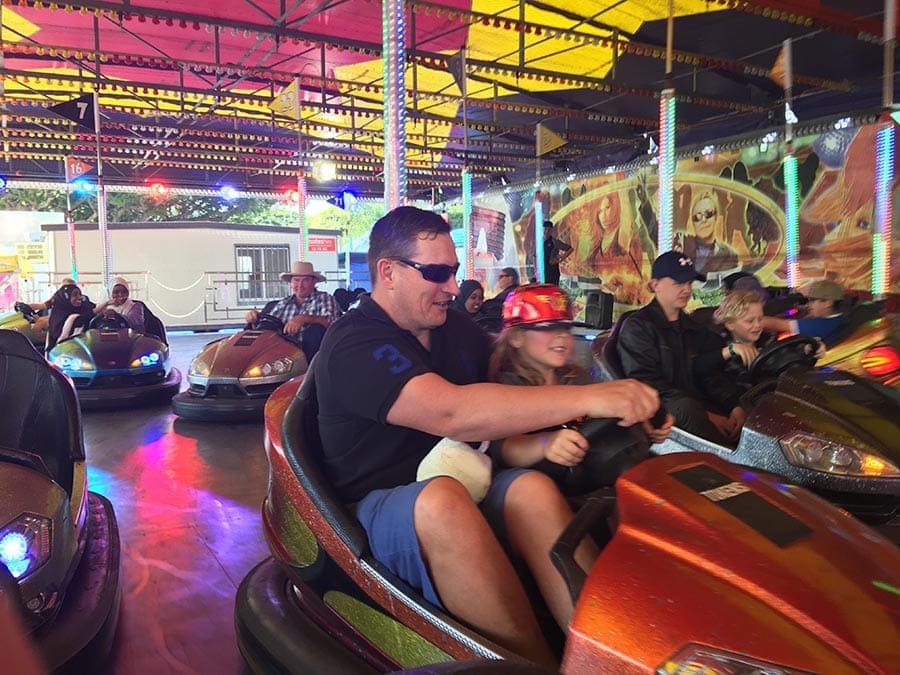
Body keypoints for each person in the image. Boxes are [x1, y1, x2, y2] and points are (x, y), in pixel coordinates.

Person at [316, 206, 660, 666]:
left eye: (454, 272)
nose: (454, 288)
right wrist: (594, 398)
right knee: (442, 502)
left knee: (532, 490)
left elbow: (507, 383)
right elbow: (453, 412)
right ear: (388, 272)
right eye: (436, 273)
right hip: (378, 502)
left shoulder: (451, 328)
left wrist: (599, 393)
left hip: (467, 474)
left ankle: (611, 658)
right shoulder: (355, 341)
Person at [488, 283, 673, 494]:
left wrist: (646, 426)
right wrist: (545, 443)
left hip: (594, 477)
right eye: (548, 328)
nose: (562, 336)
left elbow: (597, 423)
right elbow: (504, 447)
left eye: (565, 328)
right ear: (516, 337)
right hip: (549, 486)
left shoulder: (574, 377)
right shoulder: (508, 385)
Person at [616, 251, 747, 445]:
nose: (686, 289)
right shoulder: (638, 327)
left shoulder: (694, 328)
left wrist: (734, 405)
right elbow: (647, 384)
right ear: (655, 285)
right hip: (662, 409)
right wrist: (708, 416)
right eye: (678, 283)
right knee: (685, 409)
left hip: (696, 405)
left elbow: (709, 374)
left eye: (689, 283)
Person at [244, 260, 341, 363]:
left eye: (305, 280)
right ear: (291, 283)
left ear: (313, 282)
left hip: (310, 356)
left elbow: (332, 323)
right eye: (296, 280)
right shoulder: (283, 303)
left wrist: (304, 318)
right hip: (281, 357)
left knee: (315, 331)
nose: (300, 285)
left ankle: (309, 374)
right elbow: (268, 322)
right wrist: (254, 318)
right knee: (265, 328)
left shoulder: (324, 298)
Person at [760, 279, 847, 345]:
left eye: (813, 300)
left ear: (828, 303)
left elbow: (775, 324)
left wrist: (750, 320)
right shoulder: (840, 319)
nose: (809, 305)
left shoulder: (818, 325)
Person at [675, 190, 739, 276]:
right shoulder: (681, 242)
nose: (703, 220)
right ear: (693, 223)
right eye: (697, 217)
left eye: (708, 214)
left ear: (716, 218)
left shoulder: (729, 254)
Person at [46, 283, 96, 350]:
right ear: (66, 298)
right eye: (75, 295)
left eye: (80, 294)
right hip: (62, 352)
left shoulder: (84, 308)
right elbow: (79, 320)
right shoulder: (58, 317)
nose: (79, 297)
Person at [541, 221, 572, 285]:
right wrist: (536, 270)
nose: (546, 231)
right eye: (545, 229)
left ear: (551, 231)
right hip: (542, 272)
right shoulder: (539, 242)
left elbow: (570, 249)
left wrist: (560, 259)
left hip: (553, 272)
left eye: (549, 230)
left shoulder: (554, 241)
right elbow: (534, 256)